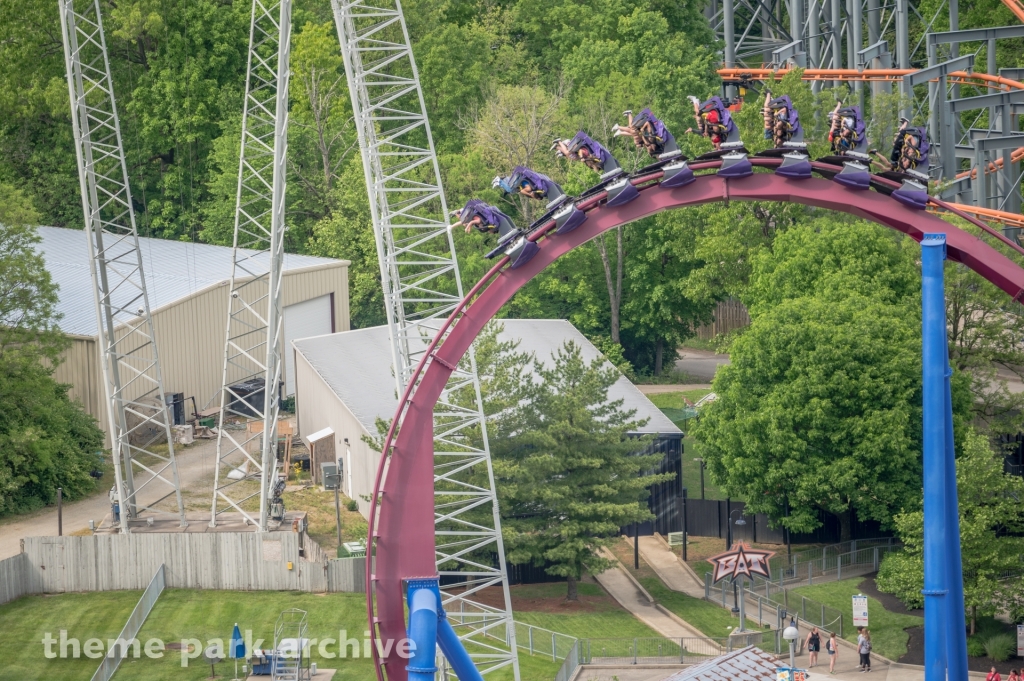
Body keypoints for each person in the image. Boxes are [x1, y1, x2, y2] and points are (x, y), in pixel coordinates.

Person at [613, 108, 680, 158]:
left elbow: (641, 140)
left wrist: (640, 142)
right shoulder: (651, 139)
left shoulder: (647, 143)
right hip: (645, 122)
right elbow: (647, 123)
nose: (647, 150)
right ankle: (622, 122)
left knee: (634, 134)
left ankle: (620, 131)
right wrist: (642, 129)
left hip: (642, 129)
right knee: (632, 128)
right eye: (648, 150)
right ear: (653, 148)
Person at [552, 131, 622, 175]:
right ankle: (559, 142)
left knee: (574, 158)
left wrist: (581, 158)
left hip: (576, 150)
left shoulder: (589, 160)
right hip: (575, 145)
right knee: (567, 153)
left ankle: (560, 151)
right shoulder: (588, 154)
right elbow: (581, 151)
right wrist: (582, 157)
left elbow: (578, 156)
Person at [492, 166, 565, 204]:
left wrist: (532, 195)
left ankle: (504, 180)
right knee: (510, 189)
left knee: (512, 191)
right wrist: (530, 194)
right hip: (521, 180)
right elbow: (523, 191)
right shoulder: (531, 190)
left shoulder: (535, 191)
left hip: (521, 183)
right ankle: (499, 181)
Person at [450, 199, 517, 237]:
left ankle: (452, 225)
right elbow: (472, 222)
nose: (489, 232)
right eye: (491, 232)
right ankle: (456, 213)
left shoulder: (483, 223)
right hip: (469, 213)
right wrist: (467, 228)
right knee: (464, 222)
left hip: (471, 214)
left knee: (464, 223)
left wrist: (468, 227)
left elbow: (472, 223)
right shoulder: (479, 221)